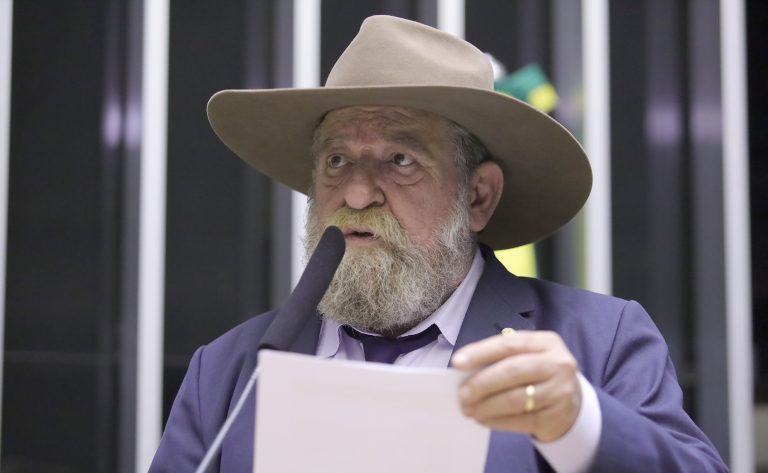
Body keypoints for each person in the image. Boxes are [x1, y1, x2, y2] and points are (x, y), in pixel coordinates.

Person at [149, 15, 727, 473]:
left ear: (478, 196)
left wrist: (578, 423)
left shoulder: (599, 343)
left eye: (400, 160)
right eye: (336, 161)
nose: (356, 194)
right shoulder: (228, 369)